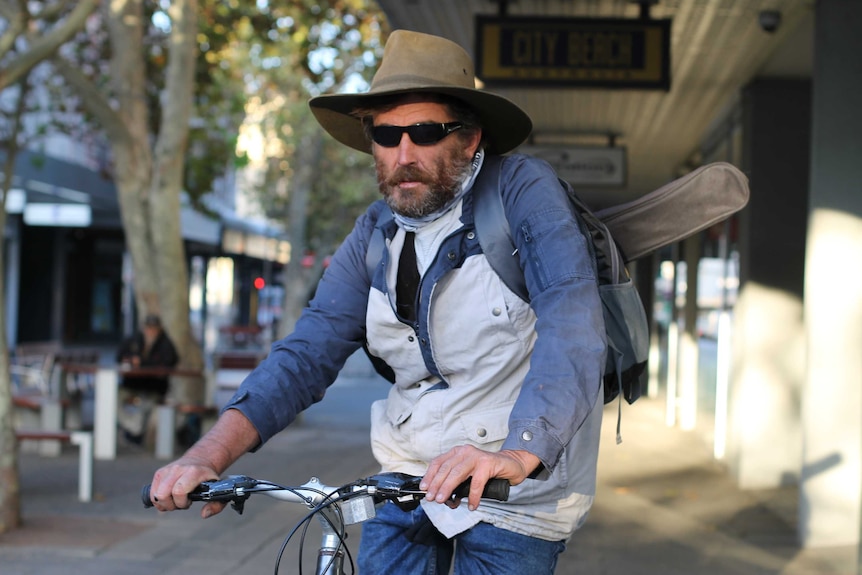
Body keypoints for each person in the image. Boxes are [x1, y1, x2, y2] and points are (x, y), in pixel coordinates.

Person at [148, 30, 606, 574]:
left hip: (514, 488)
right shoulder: (374, 232)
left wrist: (518, 453)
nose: (403, 154)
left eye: (425, 132)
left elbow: (571, 323)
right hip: (407, 475)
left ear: (471, 137)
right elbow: (307, 352)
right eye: (386, 135)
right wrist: (207, 456)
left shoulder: (523, 192)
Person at [117, 313, 179, 444]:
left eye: (154, 328)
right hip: (131, 384)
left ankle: (135, 431)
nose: (150, 331)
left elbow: (169, 363)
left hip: (153, 387)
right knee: (113, 397)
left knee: (146, 404)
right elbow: (120, 355)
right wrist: (130, 359)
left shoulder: (165, 344)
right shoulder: (135, 340)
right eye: (148, 328)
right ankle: (133, 429)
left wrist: (143, 363)